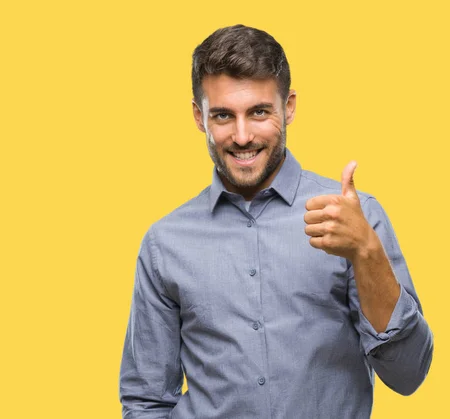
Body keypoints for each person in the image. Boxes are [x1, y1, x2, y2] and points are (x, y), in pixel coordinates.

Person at [119, 24, 433, 419]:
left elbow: (408, 375)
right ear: (200, 117)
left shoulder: (355, 218)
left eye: (259, 112)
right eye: (222, 115)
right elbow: (146, 401)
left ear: (289, 108)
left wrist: (366, 252)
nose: (242, 134)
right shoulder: (164, 244)